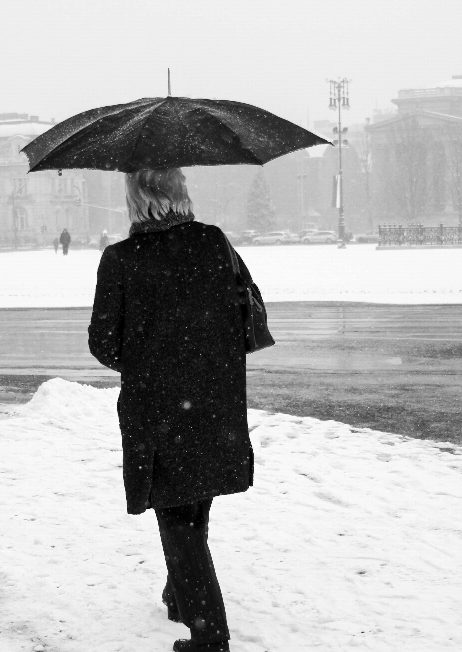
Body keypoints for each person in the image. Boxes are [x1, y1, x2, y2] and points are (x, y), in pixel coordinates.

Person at [88, 167, 260, 652]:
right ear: (180, 192)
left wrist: (148, 362)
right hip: (215, 397)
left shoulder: (121, 259)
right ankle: (181, 597)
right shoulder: (214, 243)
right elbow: (245, 313)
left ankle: (210, 638)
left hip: (158, 406)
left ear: (135, 199)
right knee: (193, 497)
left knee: (177, 516)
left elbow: (102, 342)